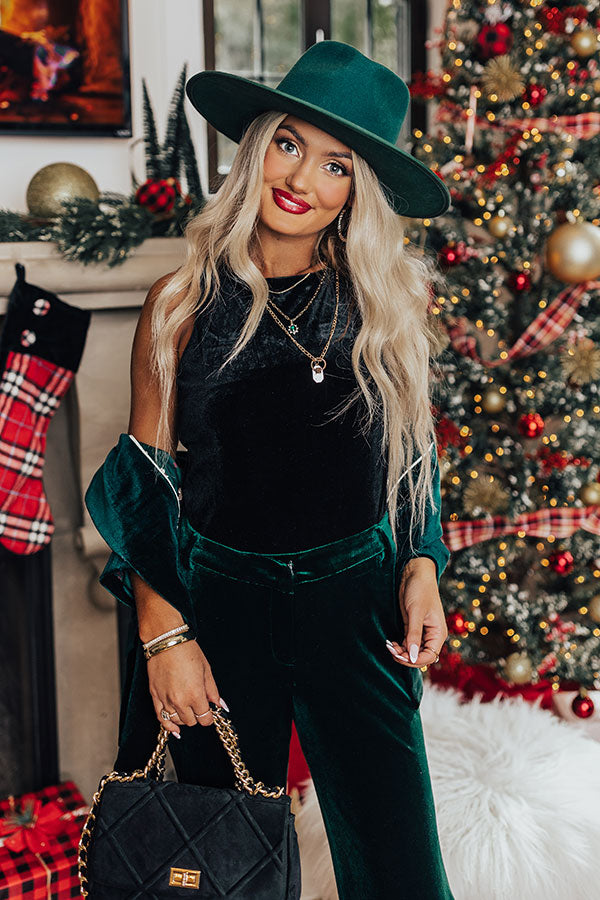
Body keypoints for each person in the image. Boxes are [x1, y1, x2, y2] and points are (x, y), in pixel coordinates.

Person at [85, 40, 455, 900]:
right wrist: (165, 639)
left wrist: (422, 563)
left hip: (356, 605)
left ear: (358, 190)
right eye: (288, 144)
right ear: (256, 149)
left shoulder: (386, 304)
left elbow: (410, 456)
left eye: (336, 165)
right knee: (211, 868)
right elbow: (146, 488)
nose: (301, 179)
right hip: (218, 608)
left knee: (400, 868)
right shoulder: (178, 304)